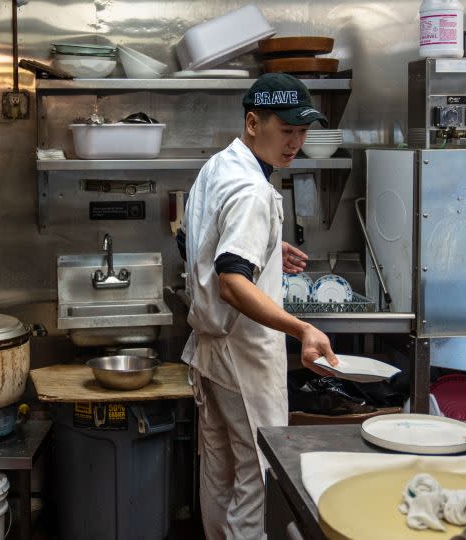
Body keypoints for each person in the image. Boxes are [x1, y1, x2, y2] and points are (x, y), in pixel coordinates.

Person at [178, 73, 340, 539]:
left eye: (302, 132)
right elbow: (231, 283)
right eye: (286, 130)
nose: (296, 143)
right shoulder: (253, 190)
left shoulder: (219, 167)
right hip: (244, 353)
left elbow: (190, 242)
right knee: (258, 473)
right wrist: (301, 328)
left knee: (220, 467)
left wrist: (267, 245)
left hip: (214, 352)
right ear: (253, 122)